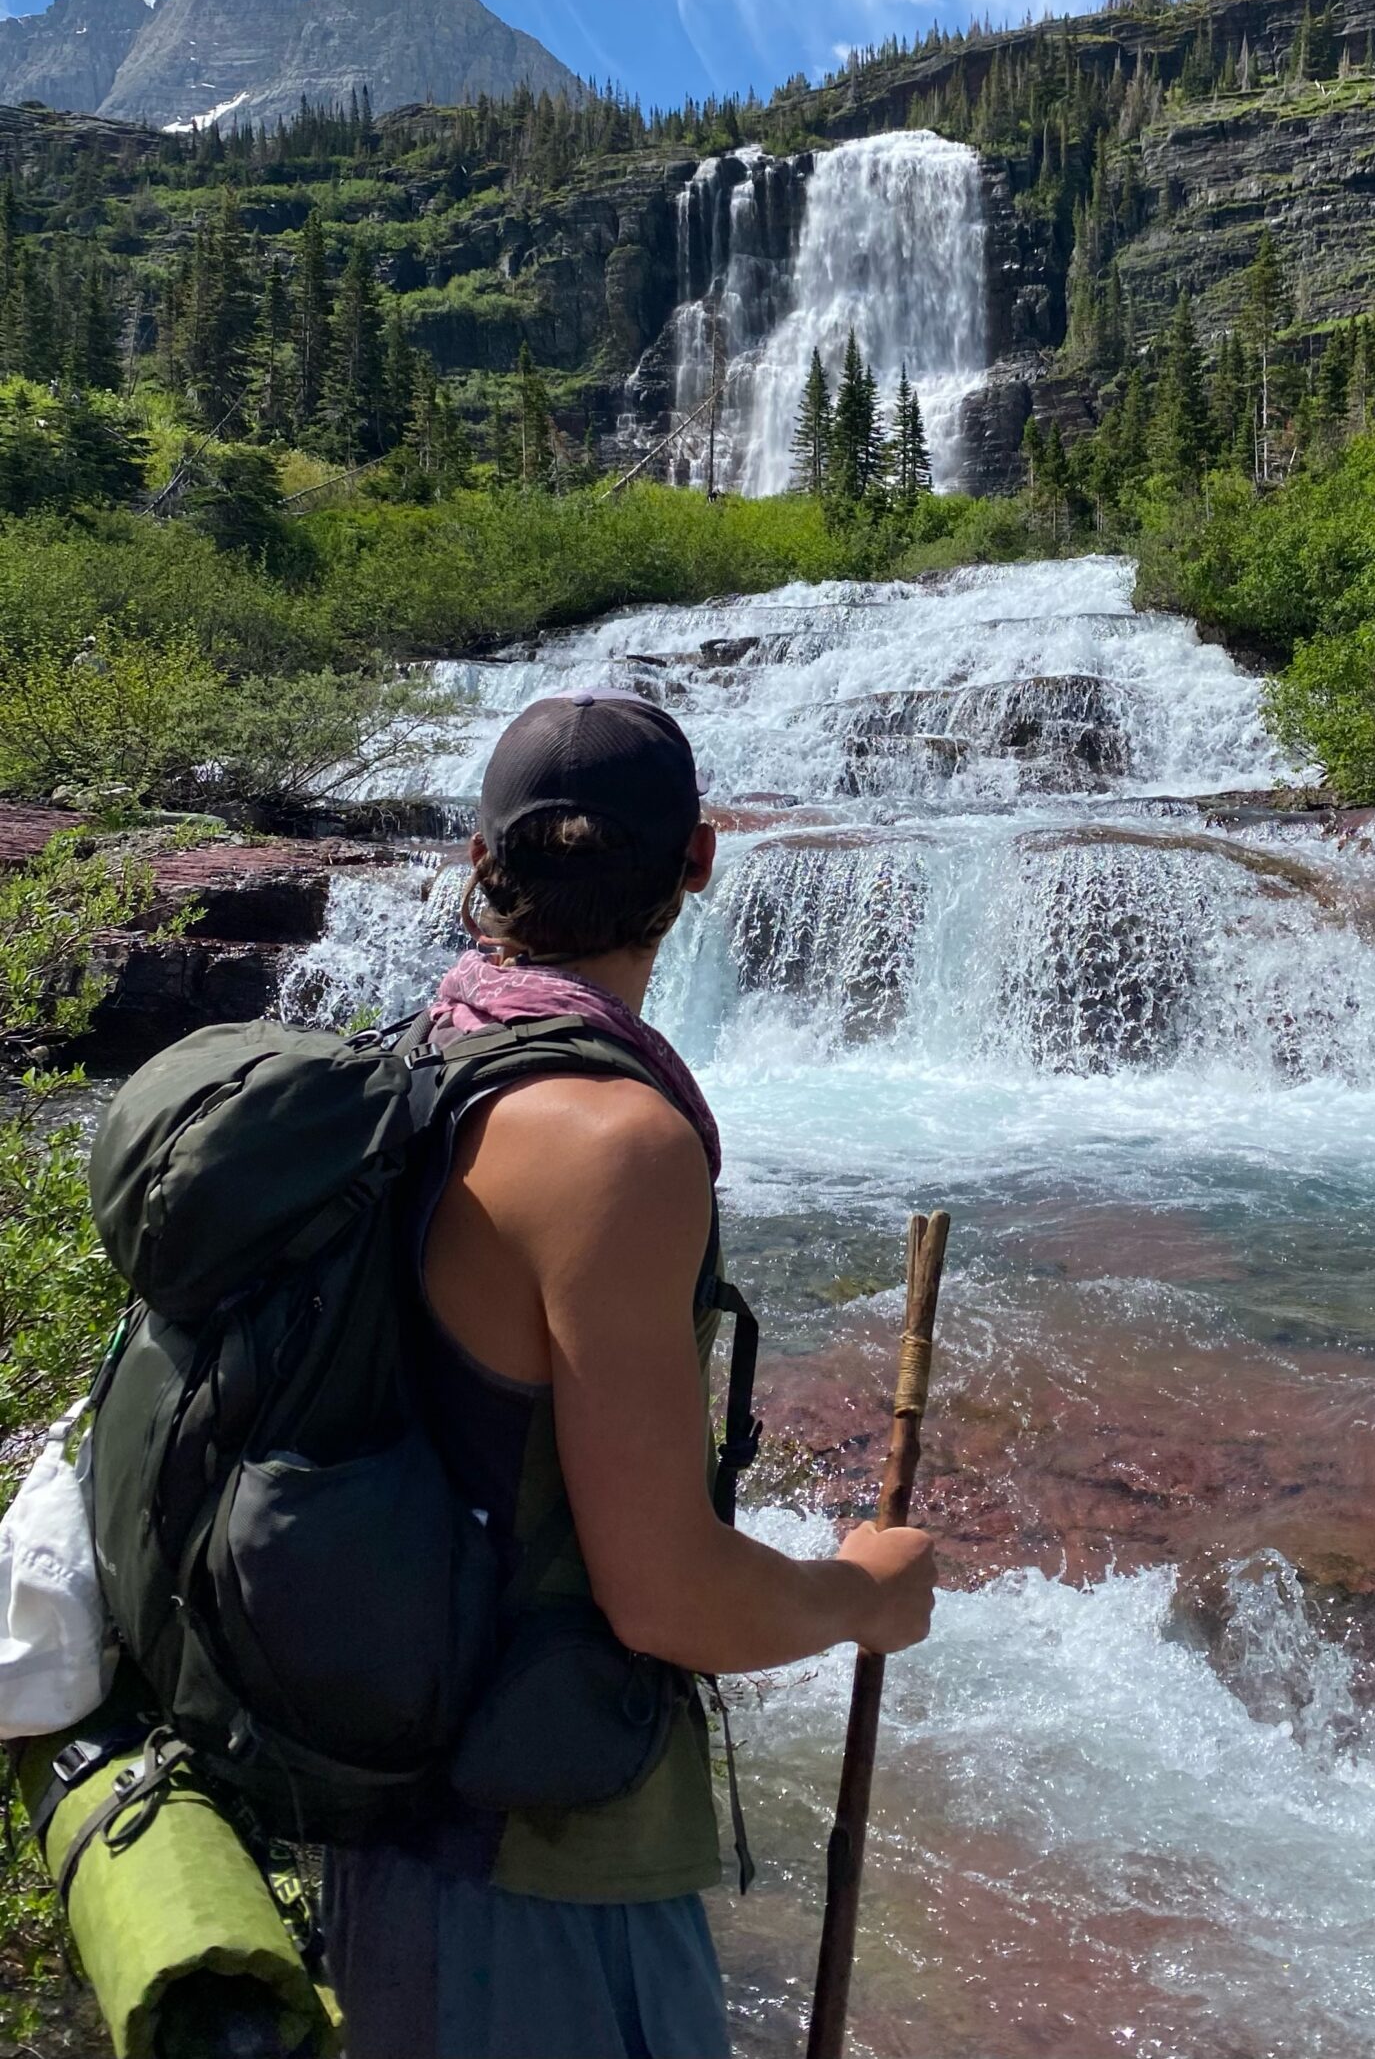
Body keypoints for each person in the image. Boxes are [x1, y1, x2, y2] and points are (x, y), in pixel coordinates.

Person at [324, 690, 936, 2059]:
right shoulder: (616, 1145)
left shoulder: (418, 1062)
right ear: (701, 861)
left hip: (392, 1812)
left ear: (480, 864)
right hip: (543, 1855)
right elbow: (666, 1599)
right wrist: (861, 1598)